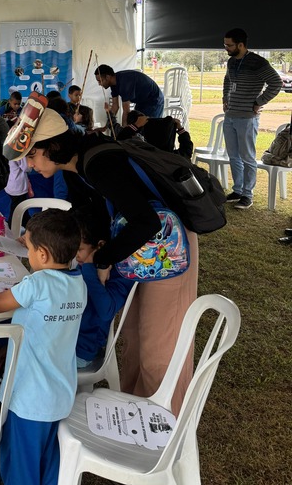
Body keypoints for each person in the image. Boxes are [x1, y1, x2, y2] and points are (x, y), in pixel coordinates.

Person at [10, 106, 198, 416]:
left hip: (167, 249)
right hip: (134, 249)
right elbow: (89, 215)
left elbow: (146, 222)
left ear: (53, 147)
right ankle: (136, 411)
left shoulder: (97, 164)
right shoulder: (77, 167)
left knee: (160, 344)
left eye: (32, 155)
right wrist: (41, 235)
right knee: (135, 337)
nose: (29, 165)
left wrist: (101, 260)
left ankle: (167, 422)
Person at [0, 210, 85, 485]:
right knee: (49, 464)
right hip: (59, 395)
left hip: (29, 399)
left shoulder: (37, 284)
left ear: (42, 255)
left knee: (21, 474)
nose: (26, 253)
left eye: (28, 248)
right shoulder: (78, 284)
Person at [222, 27, 282, 209]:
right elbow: (227, 80)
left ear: (241, 45)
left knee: (247, 157)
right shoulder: (231, 61)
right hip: (230, 116)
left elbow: (276, 83)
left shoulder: (258, 62)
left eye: (229, 45)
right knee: (233, 156)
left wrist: (259, 102)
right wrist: (225, 98)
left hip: (247, 117)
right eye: (225, 45)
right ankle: (238, 190)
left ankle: (247, 195)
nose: (226, 48)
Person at [72, 212, 133, 368]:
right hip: (65, 342)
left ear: (100, 246)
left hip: (80, 351)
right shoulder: (85, 266)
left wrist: (89, 269)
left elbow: (106, 312)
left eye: (79, 249)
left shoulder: (120, 275)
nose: (75, 255)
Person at [95, 64, 165, 126]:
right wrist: (106, 126)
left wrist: (124, 132)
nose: (99, 84)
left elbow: (126, 111)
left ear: (107, 77)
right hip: (141, 102)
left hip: (154, 100)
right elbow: (115, 107)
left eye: (100, 81)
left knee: (150, 127)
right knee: (136, 126)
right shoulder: (113, 84)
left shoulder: (124, 82)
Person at [117, 110, 194, 158]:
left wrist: (136, 125)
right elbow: (187, 150)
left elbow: (119, 141)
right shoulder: (175, 158)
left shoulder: (140, 156)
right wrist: (180, 129)